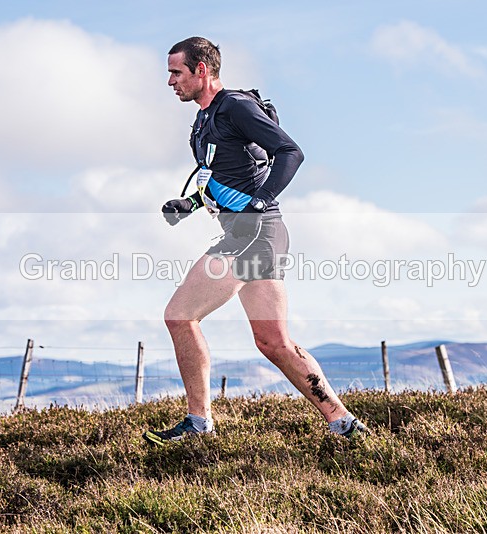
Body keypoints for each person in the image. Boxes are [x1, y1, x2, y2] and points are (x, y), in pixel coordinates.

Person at [142, 36, 368, 445]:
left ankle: (198, 424)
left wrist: (260, 202)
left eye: (176, 72)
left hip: (254, 233)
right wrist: (190, 204)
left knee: (179, 316)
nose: (170, 81)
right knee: (274, 342)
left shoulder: (236, 107)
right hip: (255, 234)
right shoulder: (203, 121)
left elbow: (290, 152)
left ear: (202, 70)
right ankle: (345, 424)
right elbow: (228, 178)